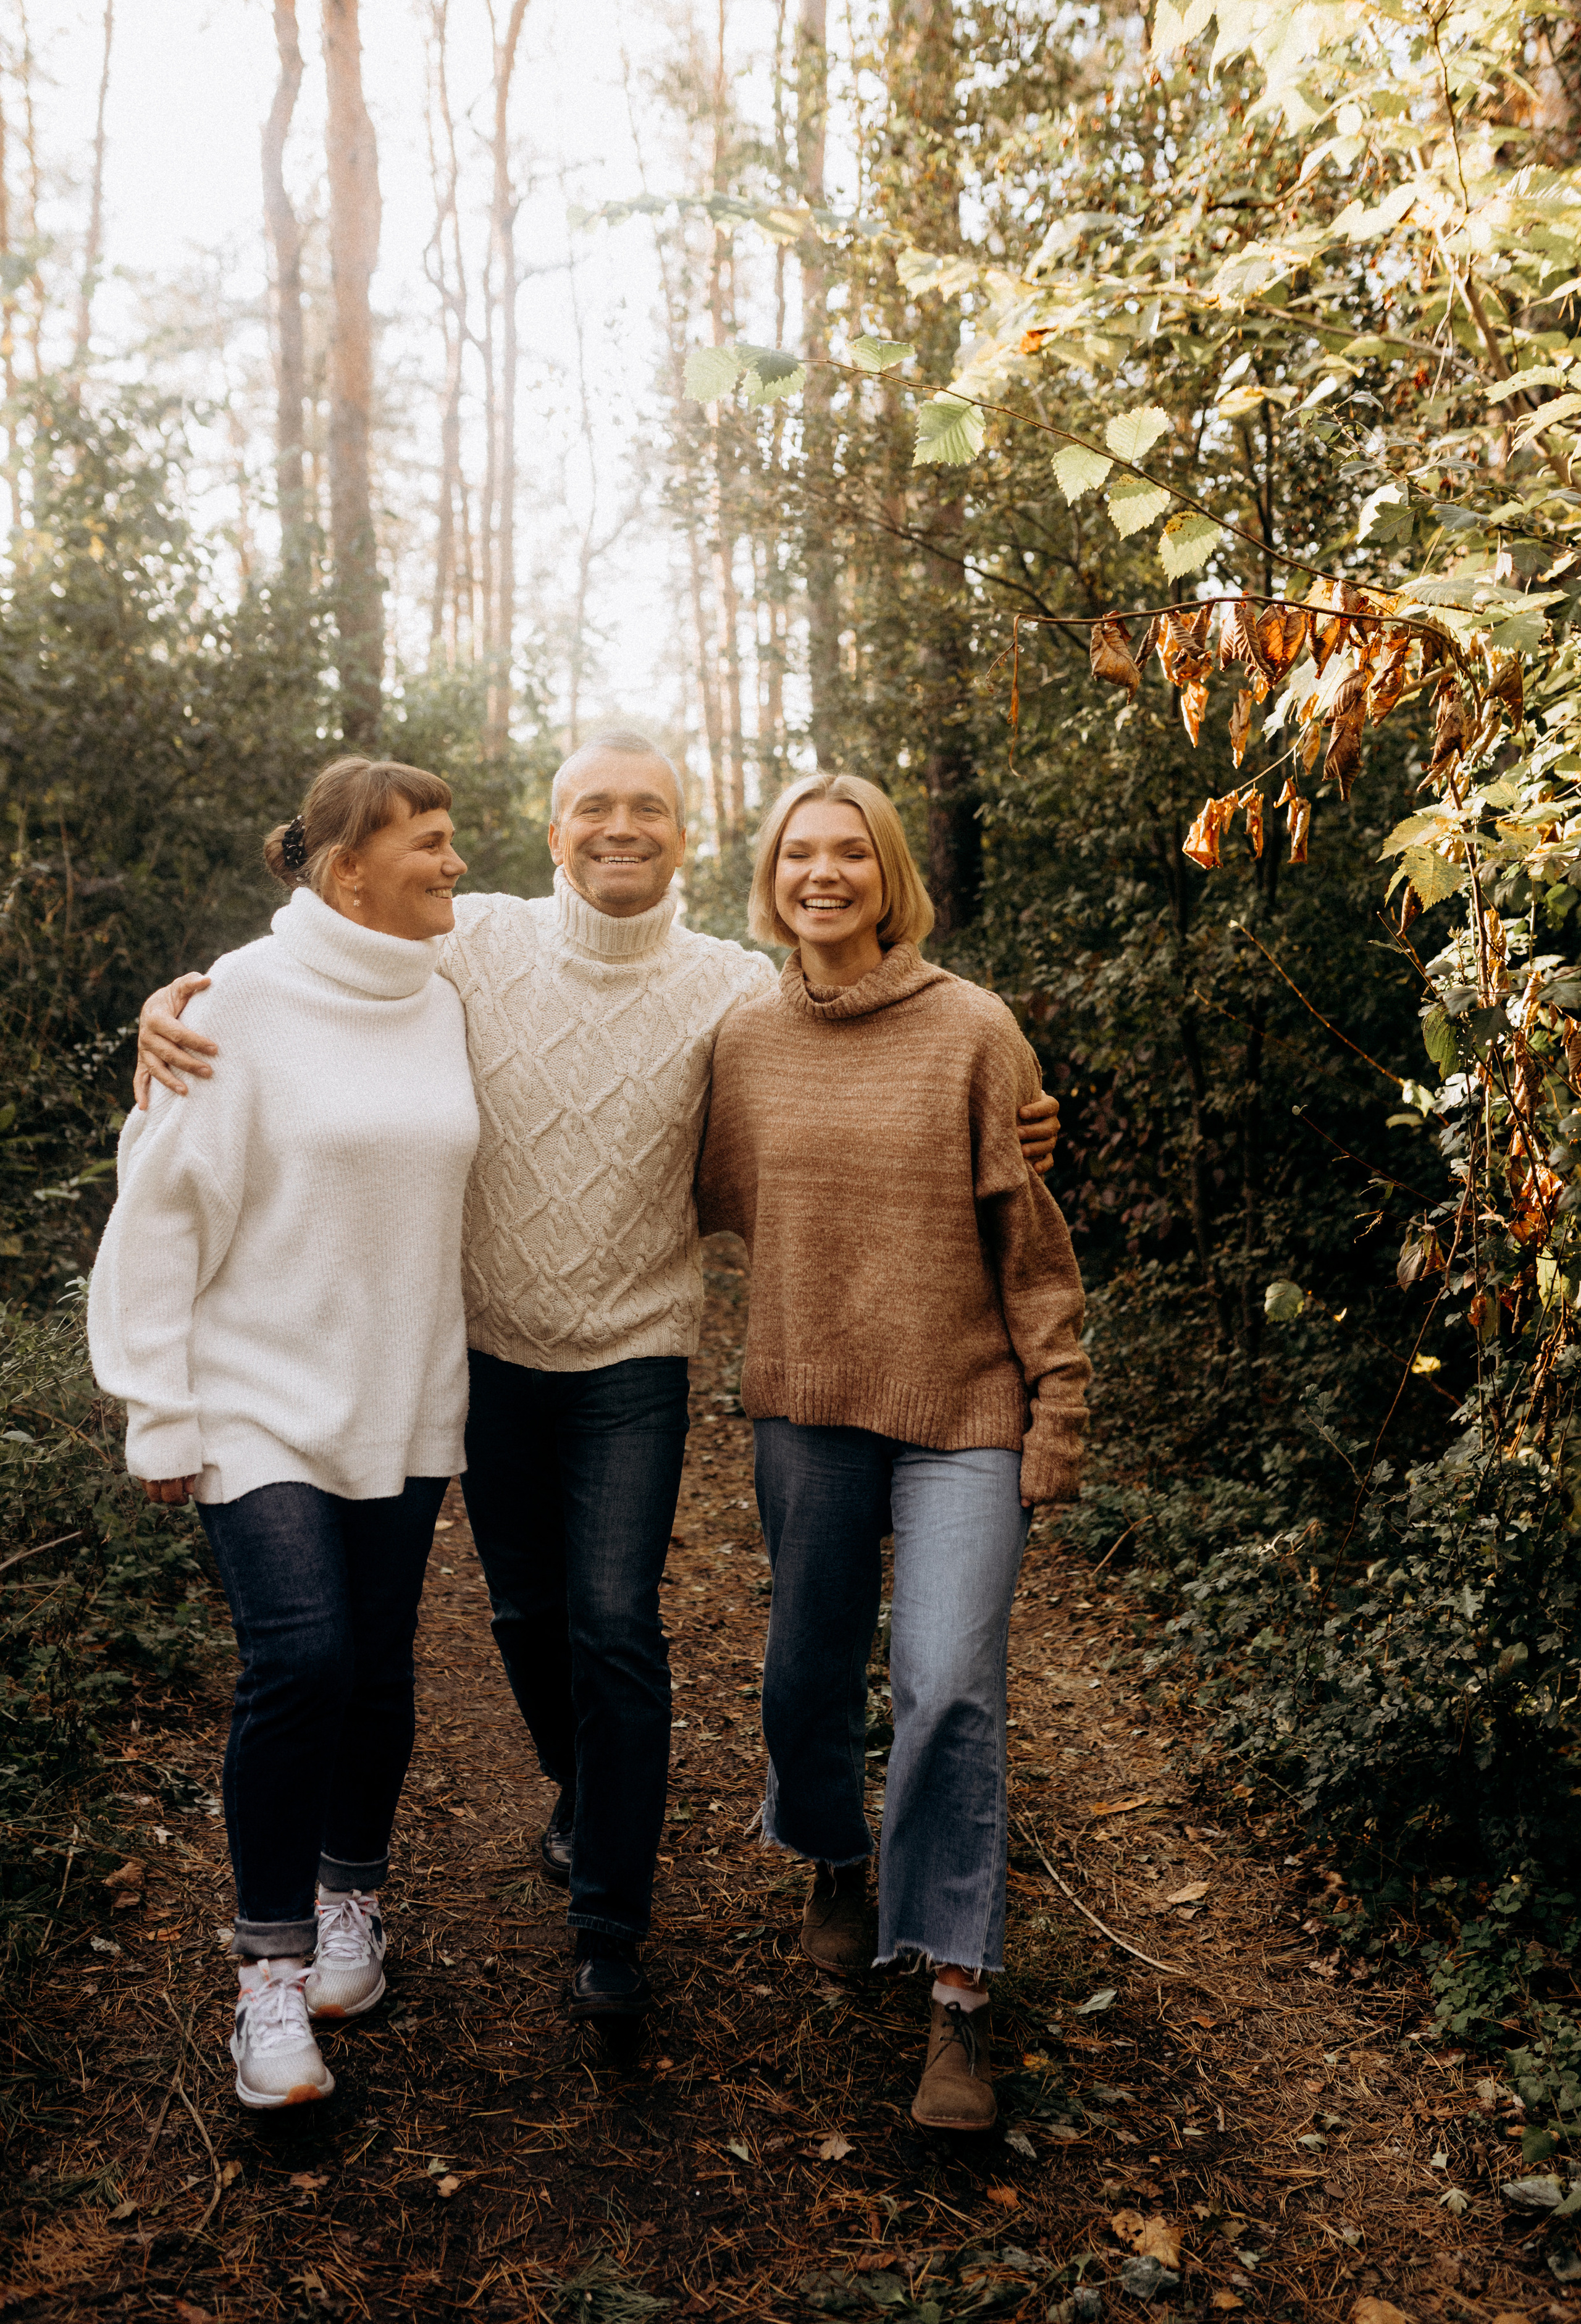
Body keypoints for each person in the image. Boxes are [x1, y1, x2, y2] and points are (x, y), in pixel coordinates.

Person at [133, 735, 1063, 2026]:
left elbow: (862, 1037)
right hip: (486, 1348)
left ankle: (608, 1927)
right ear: (553, 830)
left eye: (651, 809)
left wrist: (1014, 1111)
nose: (621, 827)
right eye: (592, 808)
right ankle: (580, 1795)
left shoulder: (735, 990)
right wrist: (179, 1011)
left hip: (636, 1349)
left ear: (687, 838)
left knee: (614, 1622)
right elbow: (322, 958)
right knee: (523, 1616)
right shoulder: (472, 946)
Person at [696, 771, 1089, 2133]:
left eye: (846, 853)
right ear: (769, 876)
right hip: (806, 1401)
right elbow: (693, 1192)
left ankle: (956, 2000)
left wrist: (1059, 1404)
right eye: (796, 853)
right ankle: (828, 1854)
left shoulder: (973, 1030)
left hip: (964, 1412)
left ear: (888, 873)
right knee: (805, 1672)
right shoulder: (737, 1042)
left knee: (944, 1687)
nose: (821, 873)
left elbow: (1028, 1246)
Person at [90, 758, 479, 2110]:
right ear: (346, 863)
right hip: (254, 1390)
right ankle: (266, 1975)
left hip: (403, 1389)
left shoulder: (452, 984)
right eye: (430, 843)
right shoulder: (235, 1003)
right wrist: (159, 1406)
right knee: (302, 1658)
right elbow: (160, 1209)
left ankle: (349, 1901)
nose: (454, 863)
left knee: (374, 1671)